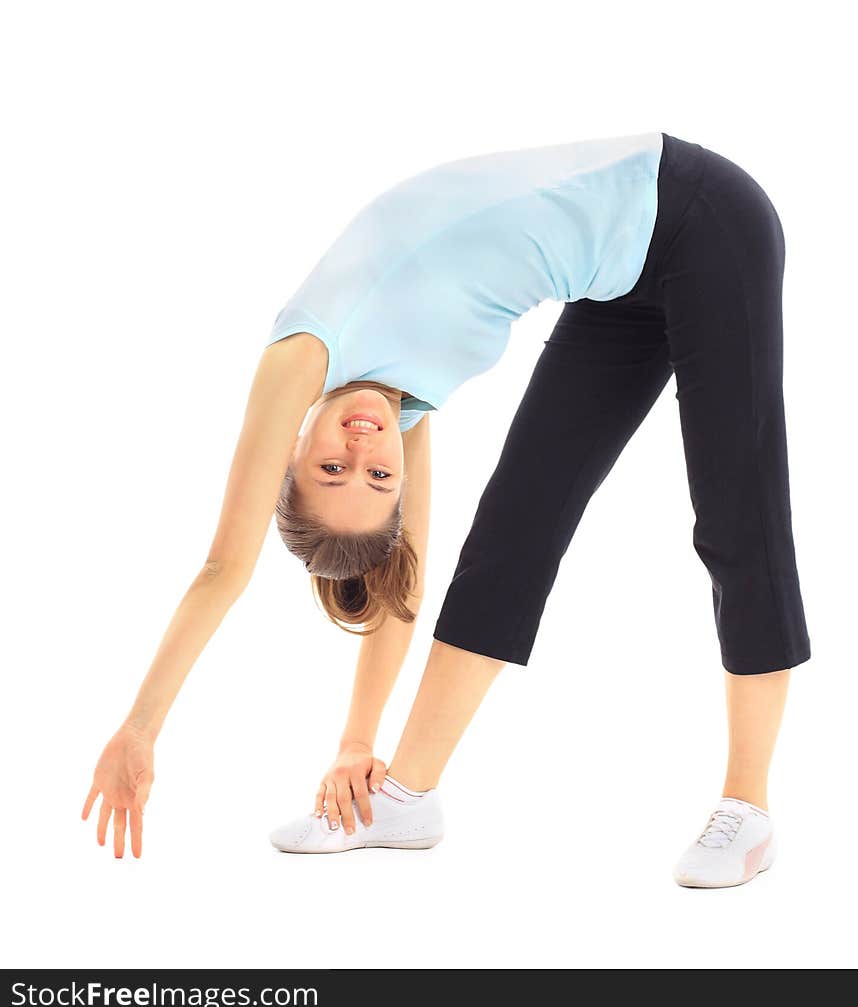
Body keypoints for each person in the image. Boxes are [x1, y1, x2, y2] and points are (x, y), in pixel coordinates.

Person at [83, 131, 810, 888]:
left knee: (737, 513)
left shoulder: (302, 358)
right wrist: (356, 743)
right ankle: (405, 797)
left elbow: (224, 568)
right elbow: (408, 579)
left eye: (333, 468)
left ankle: (747, 808)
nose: (364, 450)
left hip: (703, 214)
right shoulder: (399, 403)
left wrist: (141, 728)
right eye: (375, 481)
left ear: (290, 459)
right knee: (511, 531)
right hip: (620, 283)